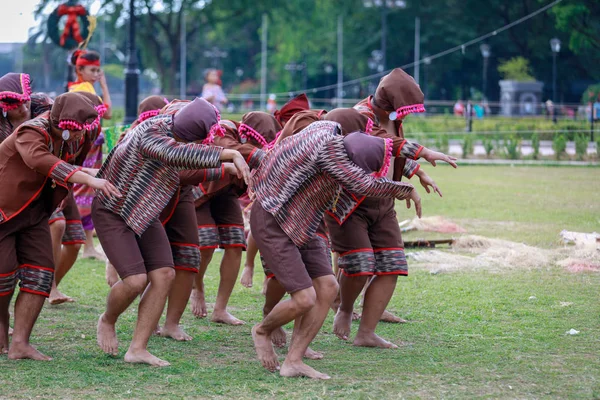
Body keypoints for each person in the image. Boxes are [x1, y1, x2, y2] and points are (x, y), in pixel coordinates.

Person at [249, 120, 420, 379]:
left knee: (328, 287)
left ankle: (293, 361)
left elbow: (375, 150)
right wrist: (406, 189)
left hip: (305, 220)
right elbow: (363, 185)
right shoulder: (331, 151)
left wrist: (418, 159)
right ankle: (262, 330)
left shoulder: (332, 130)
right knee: (304, 298)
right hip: (273, 216)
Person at [93, 97, 249, 367]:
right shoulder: (152, 135)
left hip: (145, 210)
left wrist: (231, 167)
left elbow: (183, 168)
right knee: (134, 280)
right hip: (113, 209)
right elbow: (179, 155)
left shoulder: (171, 128)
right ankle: (107, 319)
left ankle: (137, 349)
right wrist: (231, 155)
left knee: (164, 274)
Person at [0, 92, 119, 360]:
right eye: (74, 131)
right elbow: (40, 161)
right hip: (4, 211)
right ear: (61, 124)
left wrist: (92, 173)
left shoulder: (74, 135)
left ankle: (20, 343)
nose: (79, 137)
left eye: (82, 130)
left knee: (41, 275)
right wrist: (91, 180)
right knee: (2, 276)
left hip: (34, 214)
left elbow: (69, 163)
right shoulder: (30, 131)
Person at [323, 108, 456, 348]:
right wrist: (404, 188)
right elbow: (362, 182)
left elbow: (389, 148)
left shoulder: (373, 130)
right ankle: (345, 307)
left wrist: (421, 164)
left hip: (382, 207)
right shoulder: (337, 135)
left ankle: (366, 333)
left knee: (392, 264)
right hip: (348, 208)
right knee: (360, 265)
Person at [353, 67, 453, 324]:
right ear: (388, 103)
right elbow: (382, 144)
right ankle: (343, 308)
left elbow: (393, 153)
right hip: (355, 199)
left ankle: (372, 308)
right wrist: (423, 152)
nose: (404, 116)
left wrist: (417, 172)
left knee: (389, 258)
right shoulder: (361, 116)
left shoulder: (394, 120)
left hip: (384, 197)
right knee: (355, 259)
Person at [190, 111, 280, 325]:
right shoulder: (223, 129)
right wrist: (263, 155)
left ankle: (220, 309)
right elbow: (233, 150)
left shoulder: (263, 144)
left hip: (226, 191)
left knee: (235, 242)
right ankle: (198, 285)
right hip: (201, 190)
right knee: (206, 243)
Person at [104, 95, 171, 288]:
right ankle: (113, 261)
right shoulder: (133, 135)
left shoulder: (163, 135)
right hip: (128, 196)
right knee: (130, 235)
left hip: (152, 195)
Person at [69, 49, 112, 261]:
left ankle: (87, 246)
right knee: (83, 191)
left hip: (92, 146)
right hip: (85, 146)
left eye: (98, 70)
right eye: (93, 70)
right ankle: (82, 244)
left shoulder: (86, 87)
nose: (96, 73)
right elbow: (108, 112)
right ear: (80, 69)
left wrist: (101, 84)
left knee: (89, 191)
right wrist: (103, 86)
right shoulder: (81, 89)